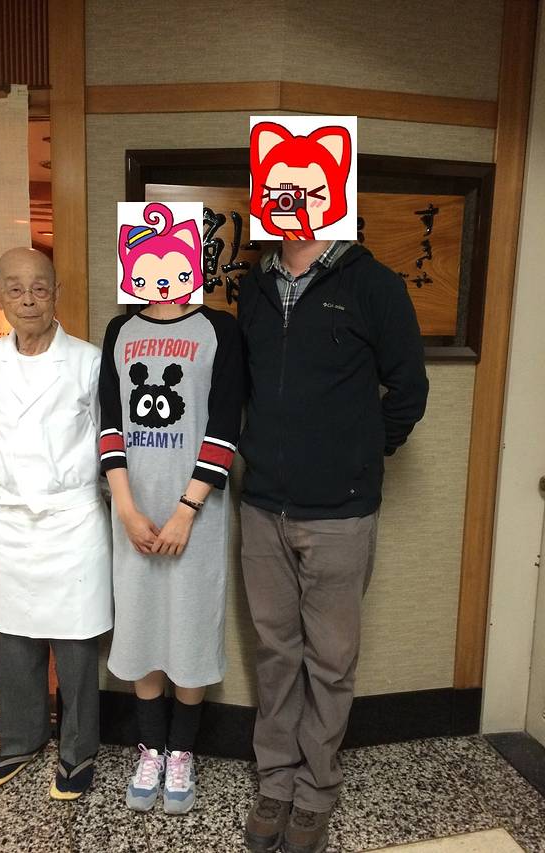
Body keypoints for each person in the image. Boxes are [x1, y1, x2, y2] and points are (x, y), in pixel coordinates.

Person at [238, 238, 429, 853]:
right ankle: (275, 781)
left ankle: (316, 790)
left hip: (340, 514)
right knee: (275, 653)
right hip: (262, 505)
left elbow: (409, 389)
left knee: (330, 660)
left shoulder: (373, 284)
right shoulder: (255, 284)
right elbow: (248, 385)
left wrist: (360, 455)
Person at [0, 247, 112, 800]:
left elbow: (105, 437)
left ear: (56, 293)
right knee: (15, 636)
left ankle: (78, 751)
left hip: (72, 515)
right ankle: (19, 740)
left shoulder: (87, 360)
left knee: (75, 640)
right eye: (14, 288)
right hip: (12, 515)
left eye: (39, 288)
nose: (27, 299)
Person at [99, 297, 243, 815]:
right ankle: (151, 751)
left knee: (190, 625)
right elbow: (110, 424)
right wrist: (125, 508)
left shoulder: (219, 329)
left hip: (196, 512)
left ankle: (181, 752)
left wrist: (186, 511)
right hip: (134, 510)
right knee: (139, 624)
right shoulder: (120, 330)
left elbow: (225, 425)